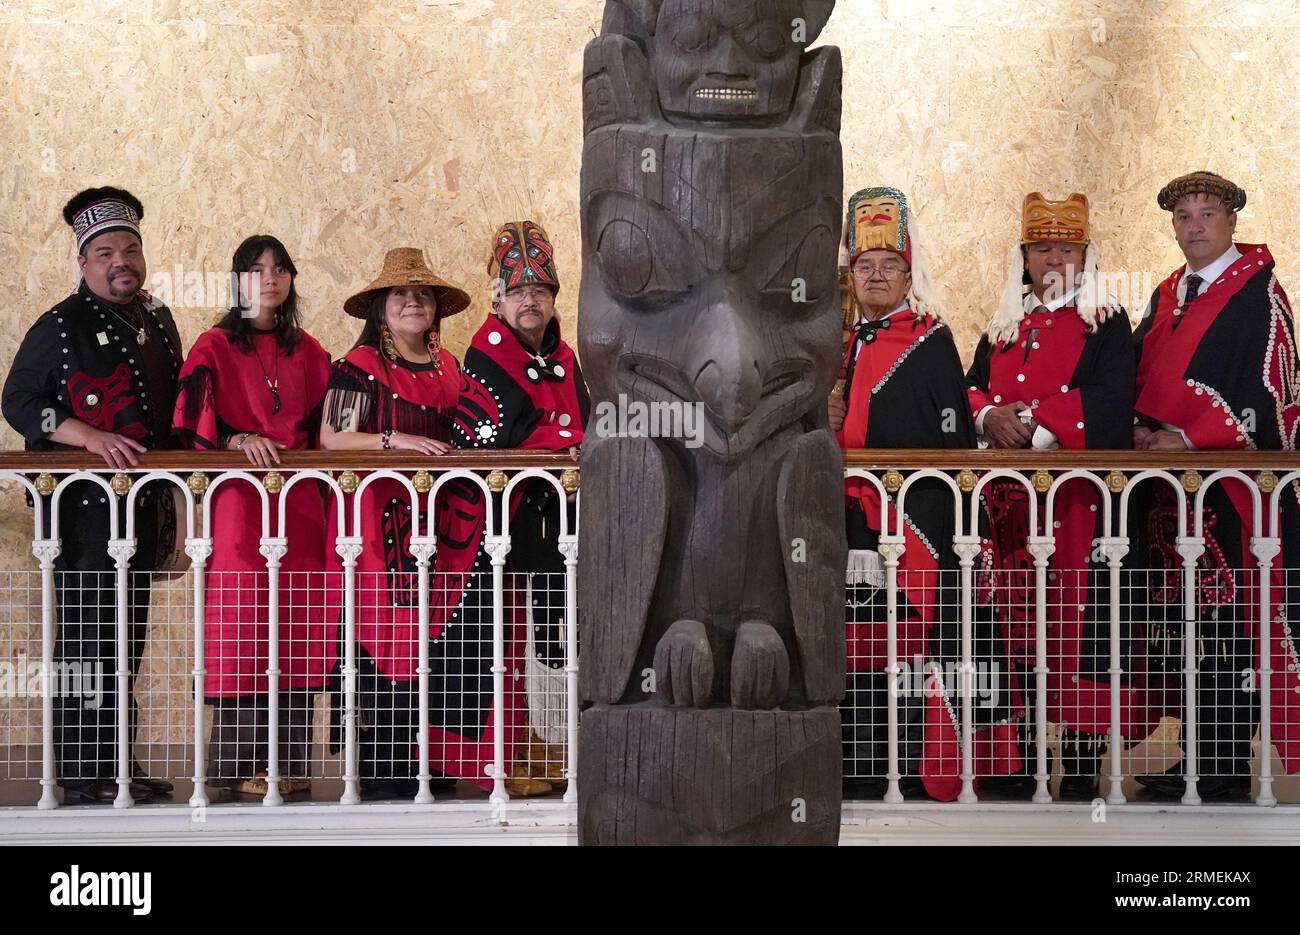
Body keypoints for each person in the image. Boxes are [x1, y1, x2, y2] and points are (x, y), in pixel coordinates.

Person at [2, 186, 182, 804]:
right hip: (79, 517)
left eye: (130, 249)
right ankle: (79, 776)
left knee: (126, 643)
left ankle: (118, 770)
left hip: (142, 512)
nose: (120, 261)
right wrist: (88, 436)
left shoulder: (158, 318)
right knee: (84, 644)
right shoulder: (59, 323)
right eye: (105, 252)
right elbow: (18, 401)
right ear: (84, 262)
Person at [967, 192, 1149, 800]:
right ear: (1025, 256)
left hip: (1077, 511)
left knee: (1077, 633)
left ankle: (1079, 768)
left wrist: (1038, 422)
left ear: (1084, 255)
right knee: (1009, 629)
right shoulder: (1000, 322)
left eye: (1066, 247)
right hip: (1004, 512)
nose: (1054, 257)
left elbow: (1111, 397)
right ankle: (1016, 764)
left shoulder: (1107, 320)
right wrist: (991, 414)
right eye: (1042, 247)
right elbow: (966, 391)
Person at [1130, 171, 1300, 800]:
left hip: (1234, 493)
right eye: (1183, 217)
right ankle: (1198, 754)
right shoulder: (1169, 294)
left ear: (1231, 222)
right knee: (1185, 625)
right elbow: (1144, 371)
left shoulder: (1261, 294)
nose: (1194, 226)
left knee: (1232, 625)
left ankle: (1225, 763)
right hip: (1173, 497)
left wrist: (1194, 438)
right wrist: (1143, 431)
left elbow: (1271, 392)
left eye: (1206, 214)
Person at [828, 187, 978, 800]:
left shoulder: (932, 340)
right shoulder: (830, 347)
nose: (877, 277)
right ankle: (855, 765)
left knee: (906, 649)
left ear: (908, 273)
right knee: (850, 642)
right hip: (842, 522)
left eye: (890, 266)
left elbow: (952, 440)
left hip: (909, 523)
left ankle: (910, 769)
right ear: (852, 275)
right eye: (866, 266)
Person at [172, 235, 332, 797]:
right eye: (256, 269)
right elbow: (190, 429)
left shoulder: (310, 351)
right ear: (238, 279)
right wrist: (237, 437)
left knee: (299, 629)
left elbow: (327, 437)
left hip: (303, 507)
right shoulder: (212, 347)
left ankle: (288, 767)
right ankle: (230, 769)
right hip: (240, 503)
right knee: (241, 629)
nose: (270, 278)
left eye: (281, 269)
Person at [320, 247, 468, 800]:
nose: (412, 301)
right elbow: (332, 441)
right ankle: (384, 766)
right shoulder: (356, 368)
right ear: (380, 309)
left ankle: (438, 759)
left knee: (435, 640)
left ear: (435, 310)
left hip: (438, 531)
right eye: (400, 294)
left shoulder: (449, 368)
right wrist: (395, 441)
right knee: (381, 637)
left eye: (422, 294)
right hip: (375, 530)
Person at [448, 220, 589, 797]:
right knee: (498, 646)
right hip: (497, 531)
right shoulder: (485, 353)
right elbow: (481, 438)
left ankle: (534, 743)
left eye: (540, 290)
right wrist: (558, 445)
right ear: (498, 299)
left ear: (554, 298)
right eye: (517, 291)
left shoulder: (566, 354)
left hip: (557, 528)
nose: (528, 300)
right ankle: (493, 759)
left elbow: (583, 421)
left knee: (539, 644)